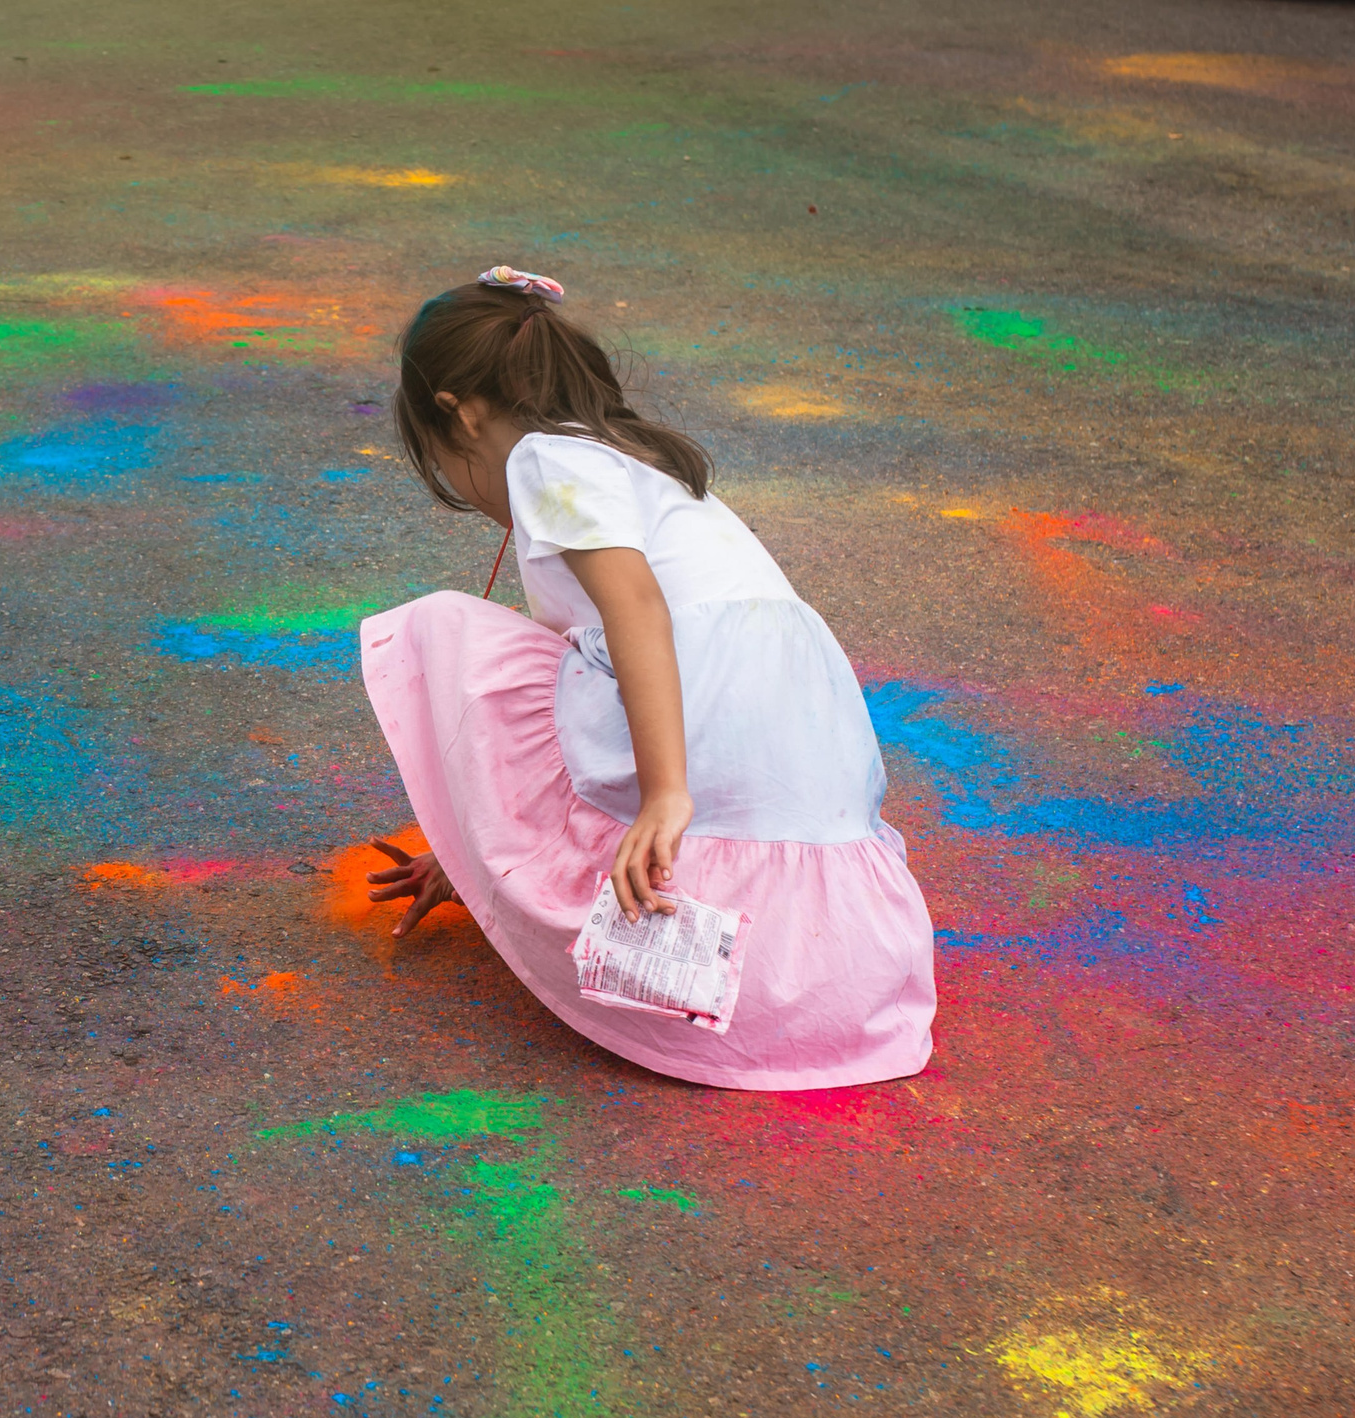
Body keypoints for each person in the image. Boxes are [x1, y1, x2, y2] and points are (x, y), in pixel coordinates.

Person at [358, 266, 935, 1091]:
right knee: (577, 675)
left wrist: (666, 793)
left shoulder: (544, 460)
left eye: (444, 459)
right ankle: (775, 1005)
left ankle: (654, 955)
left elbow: (636, 608)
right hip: (799, 760)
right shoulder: (624, 457)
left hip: (697, 721)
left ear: (462, 413)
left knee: (448, 630)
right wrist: (471, 856)